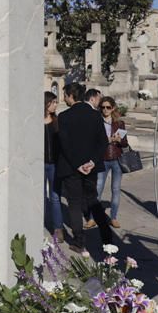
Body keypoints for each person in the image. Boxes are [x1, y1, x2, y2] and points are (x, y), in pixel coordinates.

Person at [56, 82, 113, 256]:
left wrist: (78, 164)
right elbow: (103, 142)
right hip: (91, 167)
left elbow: (64, 145)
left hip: (72, 168)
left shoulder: (64, 116)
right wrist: (92, 162)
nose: (64, 98)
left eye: (65, 95)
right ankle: (107, 238)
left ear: (71, 96)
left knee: (74, 203)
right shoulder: (95, 116)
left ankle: (79, 242)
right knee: (92, 200)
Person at [93, 96, 128, 229]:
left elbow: (125, 143)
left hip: (117, 160)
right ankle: (92, 217)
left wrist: (120, 140)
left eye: (108, 107)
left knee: (116, 189)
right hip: (102, 159)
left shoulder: (119, 123)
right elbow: (94, 141)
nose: (105, 110)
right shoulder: (97, 122)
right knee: (98, 189)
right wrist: (107, 140)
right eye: (103, 107)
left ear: (113, 108)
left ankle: (113, 217)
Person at [43, 91, 64, 242]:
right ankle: (38, 225)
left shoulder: (57, 121)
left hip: (54, 164)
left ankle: (58, 228)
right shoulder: (35, 122)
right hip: (40, 164)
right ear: (46, 103)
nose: (56, 105)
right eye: (54, 102)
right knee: (41, 197)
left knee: (55, 197)